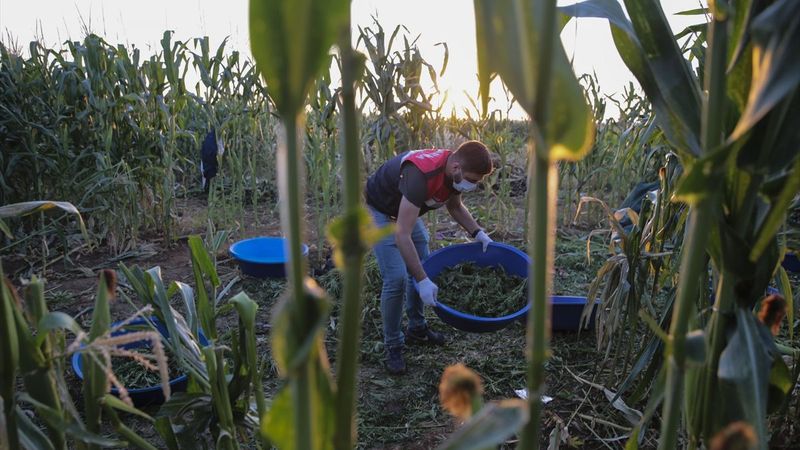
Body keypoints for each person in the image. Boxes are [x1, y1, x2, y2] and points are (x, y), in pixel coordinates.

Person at [365, 141, 495, 374]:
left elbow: (455, 207)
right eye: (473, 180)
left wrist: (478, 233)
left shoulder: (453, 174)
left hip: (406, 208)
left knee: (422, 257)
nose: (473, 185)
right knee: (396, 278)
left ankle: (417, 328)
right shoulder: (421, 176)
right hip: (382, 210)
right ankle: (393, 344)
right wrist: (422, 279)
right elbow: (401, 234)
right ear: (456, 167)